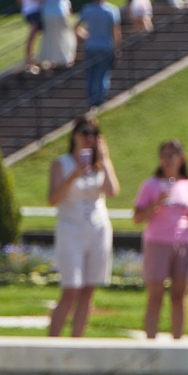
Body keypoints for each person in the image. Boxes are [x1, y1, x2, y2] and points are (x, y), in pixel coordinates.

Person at [46, 116, 119, 338]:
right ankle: (52, 343)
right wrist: (73, 176)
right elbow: (53, 199)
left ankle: (77, 342)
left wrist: (105, 159)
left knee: (89, 289)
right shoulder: (61, 164)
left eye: (94, 134)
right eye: (85, 133)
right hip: (70, 229)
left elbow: (112, 191)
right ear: (74, 136)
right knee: (71, 289)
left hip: (97, 229)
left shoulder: (99, 165)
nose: (89, 138)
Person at [134, 139, 188, 340]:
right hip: (157, 242)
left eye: (172, 155)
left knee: (179, 295)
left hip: (183, 243)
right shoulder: (151, 185)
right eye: (164, 155)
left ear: (181, 159)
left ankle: (177, 341)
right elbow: (137, 218)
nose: (168, 159)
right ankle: (151, 341)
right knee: (155, 294)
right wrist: (156, 203)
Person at [77, 0, 121, 106]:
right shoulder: (111, 10)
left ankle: (91, 100)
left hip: (91, 46)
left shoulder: (87, 9)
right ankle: (100, 100)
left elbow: (76, 27)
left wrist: (86, 35)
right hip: (105, 46)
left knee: (90, 75)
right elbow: (116, 32)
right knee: (103, 74)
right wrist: (118, 47)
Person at [41, 0, 82, 70]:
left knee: (51, 37)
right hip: (60, 12)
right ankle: (66, 58)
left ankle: (51, 59)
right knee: (66, 35)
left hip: (47, 12)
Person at [17, 0, 49, 73]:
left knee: (32, 37)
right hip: (37, 11)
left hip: (27, 11)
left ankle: (31, 60)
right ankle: (32, 61)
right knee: (38, 36)